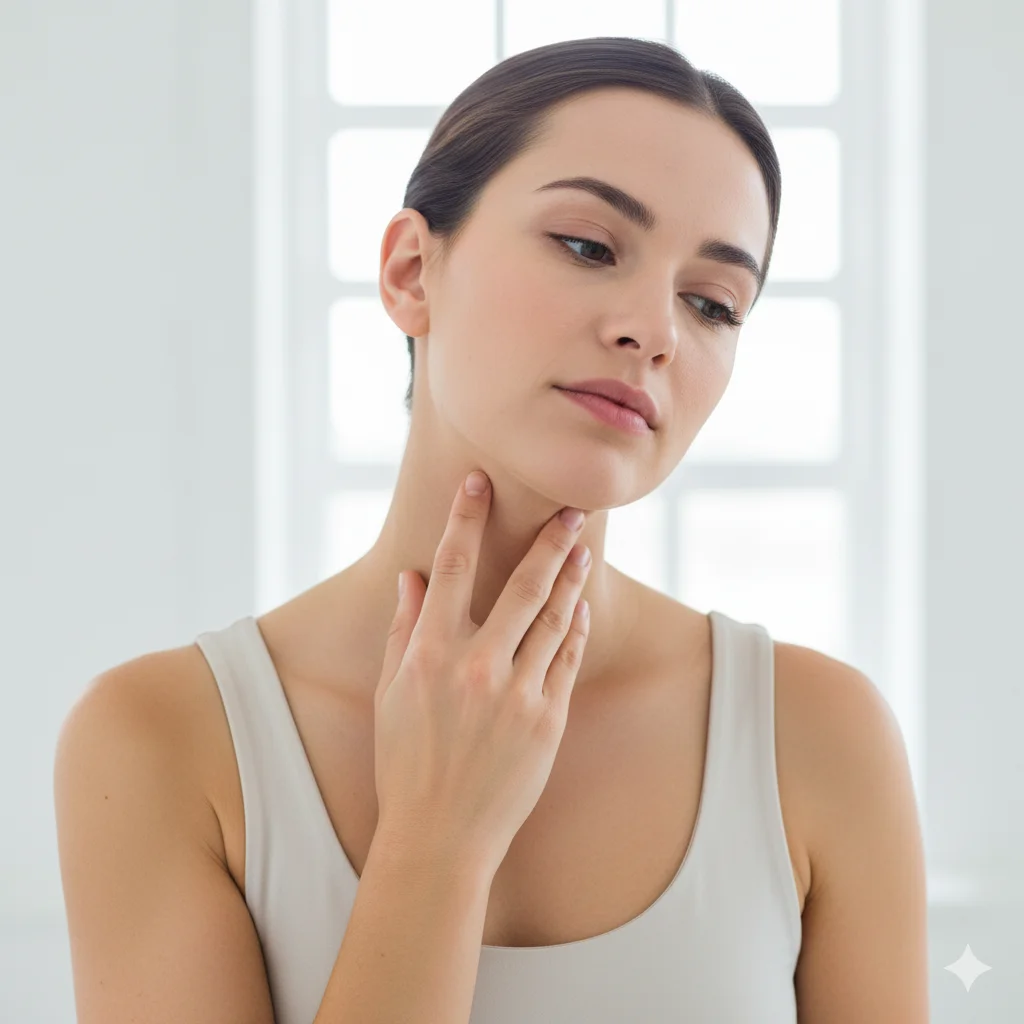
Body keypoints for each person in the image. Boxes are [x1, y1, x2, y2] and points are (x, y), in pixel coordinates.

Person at [54, 36, 929, 1024]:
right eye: (590, 247)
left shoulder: (819, 738)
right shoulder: (161, 742)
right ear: (411, 271)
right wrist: (437, 839)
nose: (656, 330)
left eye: (711, 301)